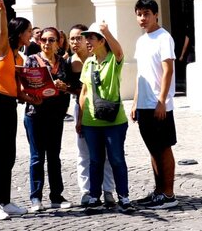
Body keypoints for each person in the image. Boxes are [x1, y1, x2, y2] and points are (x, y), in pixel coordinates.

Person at [0, 0, 34, 220]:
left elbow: (18, 89)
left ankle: (5, 200)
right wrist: (3, 13)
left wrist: (33, 98)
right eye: (29, 31)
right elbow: (3, 32)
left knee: (8, 154)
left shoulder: (19, 56)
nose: (31, 34)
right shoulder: (3, 49)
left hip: (9, 104)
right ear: (19, 33)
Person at [77, 21, 134, 213]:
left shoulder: (112, 60)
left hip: (114, 121)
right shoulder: (88, 63)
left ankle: (124, 197)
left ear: (102, 41)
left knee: (117, 159)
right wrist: (79, 120)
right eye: (87, 38)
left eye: (91, 37)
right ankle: (94, 197)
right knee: (95, 160)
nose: (87, 41)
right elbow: (84, 92)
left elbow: (119, 52)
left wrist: (106, 31)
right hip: (91, 122)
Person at [131, 0, 179, 209]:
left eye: (146, 14)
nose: (143, 18)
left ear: (156, 14)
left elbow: (168, 70)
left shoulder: (164, 37)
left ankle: (169, 194)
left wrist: (162, 100)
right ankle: (158, 191)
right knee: (153, 149)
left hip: (159, 105)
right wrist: (134, 101)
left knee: (164, 148)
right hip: (143, 104)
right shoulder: (141, 41)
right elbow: (141, 74)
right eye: (139, 14)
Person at [23, 27, 72, 212]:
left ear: (58, 42)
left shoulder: (63, 62)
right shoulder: (32, 60)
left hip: (55, 115)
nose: (46, 43)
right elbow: (25, 84)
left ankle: (56, 196)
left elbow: (69, 88)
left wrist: (63, 86)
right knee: (37, 157)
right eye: (43, 39)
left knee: (54, 157)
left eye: (51, 40)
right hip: (35, 114)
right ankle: (36, 198)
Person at [67, 24, 116, 207]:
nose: (77, 41)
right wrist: (79, 118)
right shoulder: (70, 61)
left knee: (106, 154)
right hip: (83, 107)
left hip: (103, 107)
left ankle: (108, 191)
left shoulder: (100, 58)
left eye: (80, 37)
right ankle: (86, 191)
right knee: (85, 153)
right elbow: (81, 92)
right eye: (72, 38)